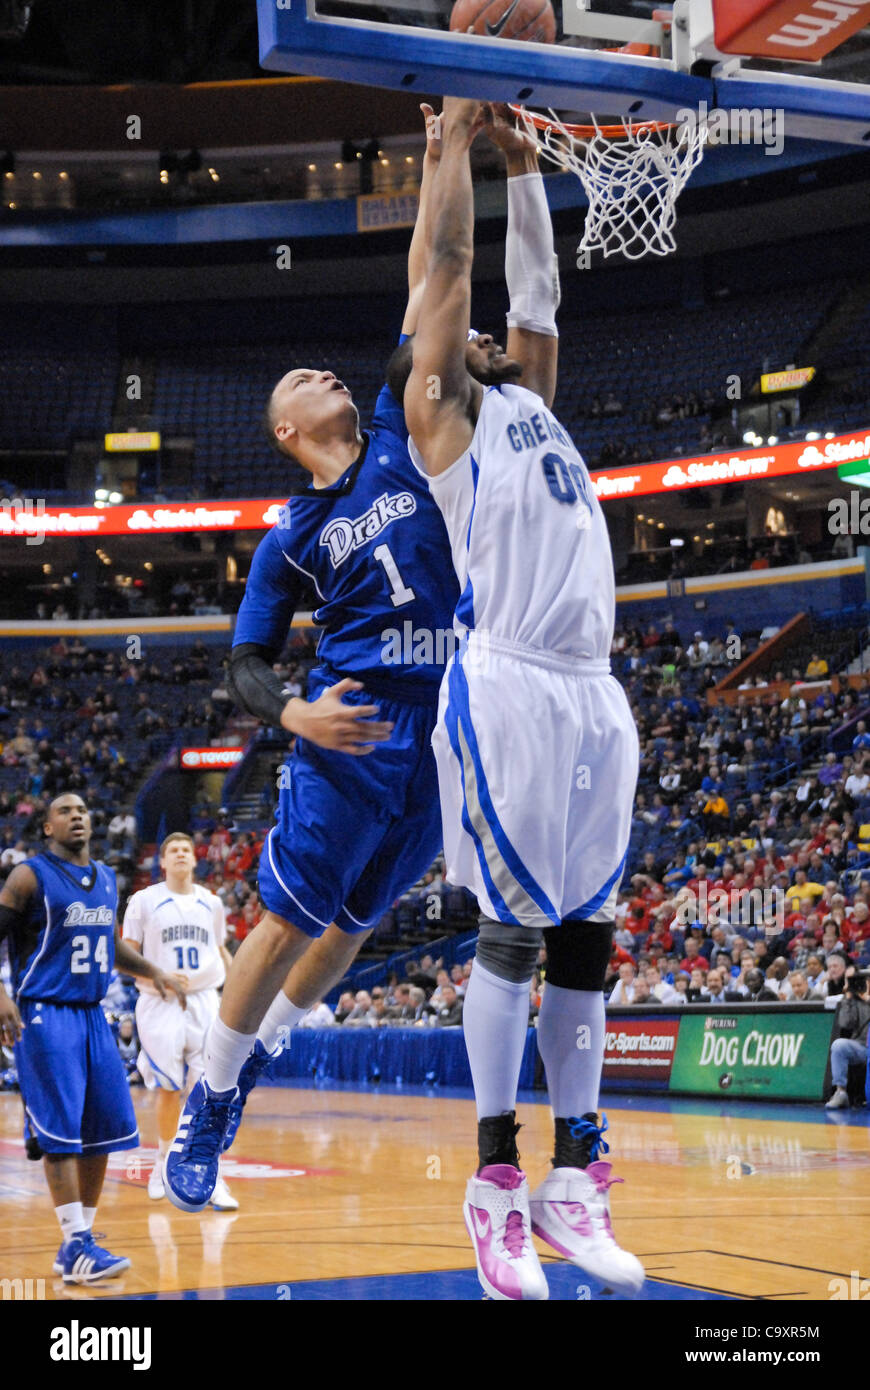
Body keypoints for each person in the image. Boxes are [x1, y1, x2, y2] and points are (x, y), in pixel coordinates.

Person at [163, 104, 545, 1215]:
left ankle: (264, 1047)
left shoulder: (392, 425)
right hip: (353, 730)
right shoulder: (288, 534)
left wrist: (441, 156)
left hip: (443, 725)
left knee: (352, 926)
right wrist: (294, 717)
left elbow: (435, 278)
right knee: (285, 919)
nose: (324, 374)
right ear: (286, 427)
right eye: (302, 379)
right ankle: (209, 1103)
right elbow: (242, 665)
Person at [402, 99, 642, 1301]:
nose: (493, 336)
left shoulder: (531, 402)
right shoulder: (446, 416)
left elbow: (536, 297)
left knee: (590, 936)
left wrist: (526, 160)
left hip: (593, 691)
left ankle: (574, 1172)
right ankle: (493, 1180)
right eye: (468, 337)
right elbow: (446, 266)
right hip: (504, 684)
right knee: (510, 929)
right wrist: (447, 145)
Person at [0, 793, 184, 1283]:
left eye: (82, 809)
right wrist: (1, 993)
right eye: (64, 810)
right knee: (61, 1134)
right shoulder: (28, 876)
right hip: (44, 1013)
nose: (77, 815)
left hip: (91, 1014)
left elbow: (109, 944)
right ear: (46, 828)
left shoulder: (105, 878)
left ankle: (81, 1241)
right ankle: (75, 1242)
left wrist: (153, 972)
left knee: (103, 1130)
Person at [122, 831, 237, 1209]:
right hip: (160, 1002)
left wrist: (237, 989)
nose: (181, 855)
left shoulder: (211, 902)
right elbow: (127, 954)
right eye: (173, 850)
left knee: (212, 1091)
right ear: (163, 861)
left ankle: (210, 1173)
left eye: (187, 849)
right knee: (169, 1089)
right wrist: (157, 978)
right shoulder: (143, 901)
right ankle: (161, 1165)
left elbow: (220, 950)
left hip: (205, 1000)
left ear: (194, 858)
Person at [825, 969, 870, 1108]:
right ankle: (841, 1092)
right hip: (863, 1046)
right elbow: (846, 1023)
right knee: (839, 1046)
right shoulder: (856, 1001)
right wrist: (849, 999)